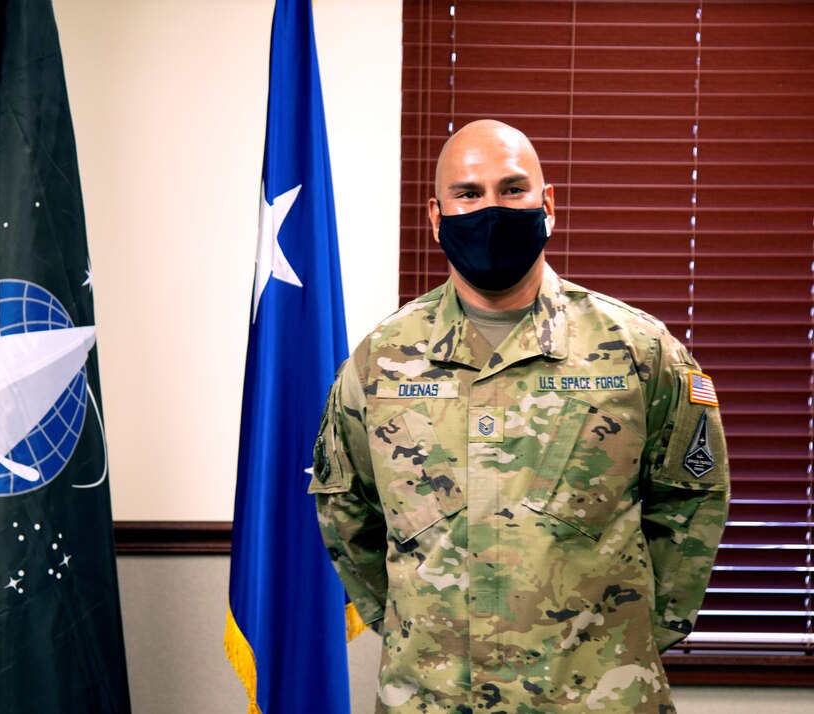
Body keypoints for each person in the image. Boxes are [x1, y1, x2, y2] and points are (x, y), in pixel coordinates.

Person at [309, 120, 729, 713]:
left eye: (512, 190)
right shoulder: (380, 361)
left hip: (595, 698)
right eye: (468, 193)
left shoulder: (640, 351)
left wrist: (625, 642)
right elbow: (345, 509)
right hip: (432, 697)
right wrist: (415, 628)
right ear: (436, 216)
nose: (491, 209)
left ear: (546, 203)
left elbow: (692, 499)